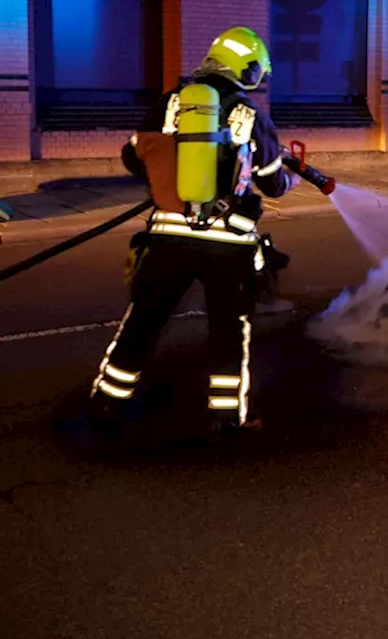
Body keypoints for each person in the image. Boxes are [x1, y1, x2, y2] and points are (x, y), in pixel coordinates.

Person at [90, 27, 299, 434]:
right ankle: (227, 419)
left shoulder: (169, 103)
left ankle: (107, 404)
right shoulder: (251, 115)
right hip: (228, 246)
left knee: (143, 322)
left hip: (167, 237)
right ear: (250, 69)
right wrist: (285, 176)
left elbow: (133, 159)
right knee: (228, 331)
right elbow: (273, 183)